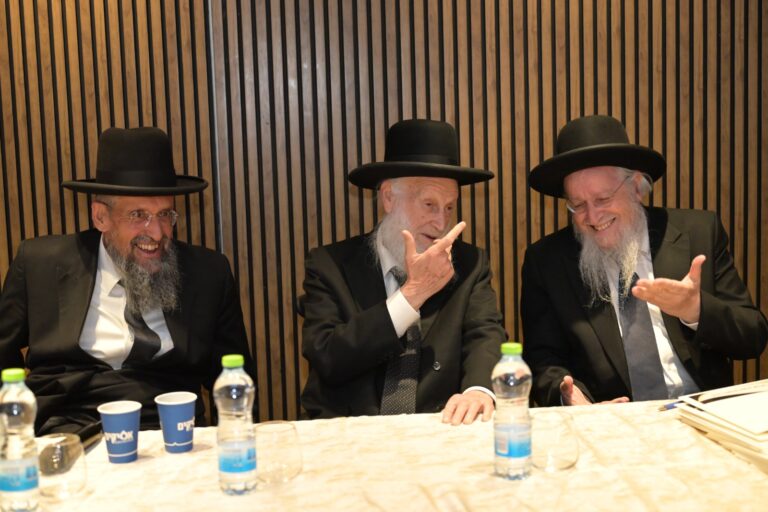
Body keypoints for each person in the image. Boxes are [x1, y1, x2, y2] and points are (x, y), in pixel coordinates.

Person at [0, 127, 255, 434]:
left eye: (165, 215)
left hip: (171, 431)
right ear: (101, 217)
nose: (157, 233)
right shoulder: (39, 264)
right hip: (66, 429)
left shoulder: (208, 273)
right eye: (138, 215)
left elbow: (235, 379)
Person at [521, 115, 768, 406]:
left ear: (637, 187)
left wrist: (696, 309)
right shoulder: (546, 261)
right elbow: (543, 361)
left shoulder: (698, 232)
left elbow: (752, 337)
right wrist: (570, 398)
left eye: (603, 199)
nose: (593, 217)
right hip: (611, 419)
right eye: (578, 205)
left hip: (702, 413)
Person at [300, 119, 506, 425]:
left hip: (440, 429)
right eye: (429, 204)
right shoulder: (330, 265)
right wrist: (412, 295)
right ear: (388, 197)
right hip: (350, 432)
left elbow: (485, 335)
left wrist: (478, 390)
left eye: (449, 207)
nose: (441, 223)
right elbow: (328, 357)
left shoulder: (470, 263)